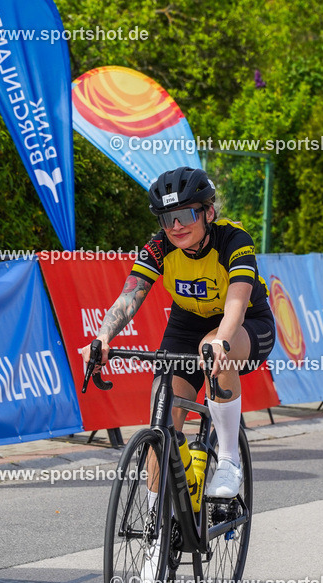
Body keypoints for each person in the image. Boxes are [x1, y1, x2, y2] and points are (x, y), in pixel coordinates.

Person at [81, 166, 276, 501]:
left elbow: (236, 307)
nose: (176, 226)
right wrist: (102, 338)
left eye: (185, 214)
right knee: (163, 409)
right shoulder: (159, 247)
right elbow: (130, 296)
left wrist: (220, 342)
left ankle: (229, 460)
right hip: (187, 324)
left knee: (212, 349)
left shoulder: (234, 240)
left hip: (246, 324)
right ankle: (159, 521)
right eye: (167, 218)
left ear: (209, 212)